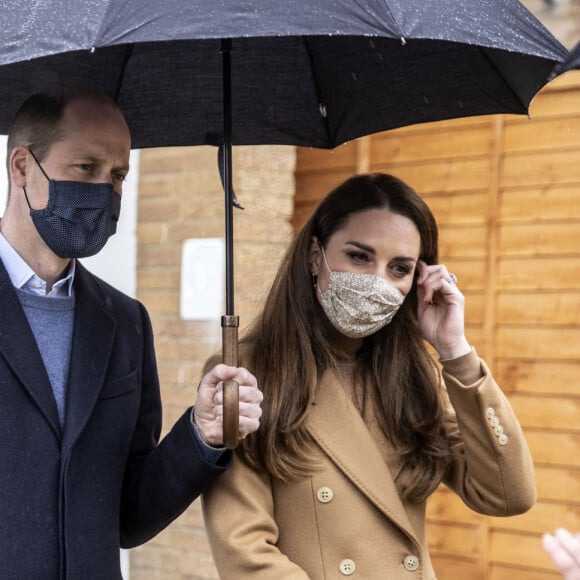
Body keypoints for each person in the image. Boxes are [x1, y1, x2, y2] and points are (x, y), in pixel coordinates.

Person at [202, 172, 536, 579]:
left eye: (399, 268)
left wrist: (455, 351)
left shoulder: (414, 376)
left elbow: (507, 493)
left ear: (418, 279)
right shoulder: (248, 373)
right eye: (359, 257)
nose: (378, 282)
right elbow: (245, 553)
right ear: (314, 254)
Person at [0, 90, 262, 579]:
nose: (105, 189)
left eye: (118, 175)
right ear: (21, 167)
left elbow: (128, 516)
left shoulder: (124, 323)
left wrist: (201, 433)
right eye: (86, 167)